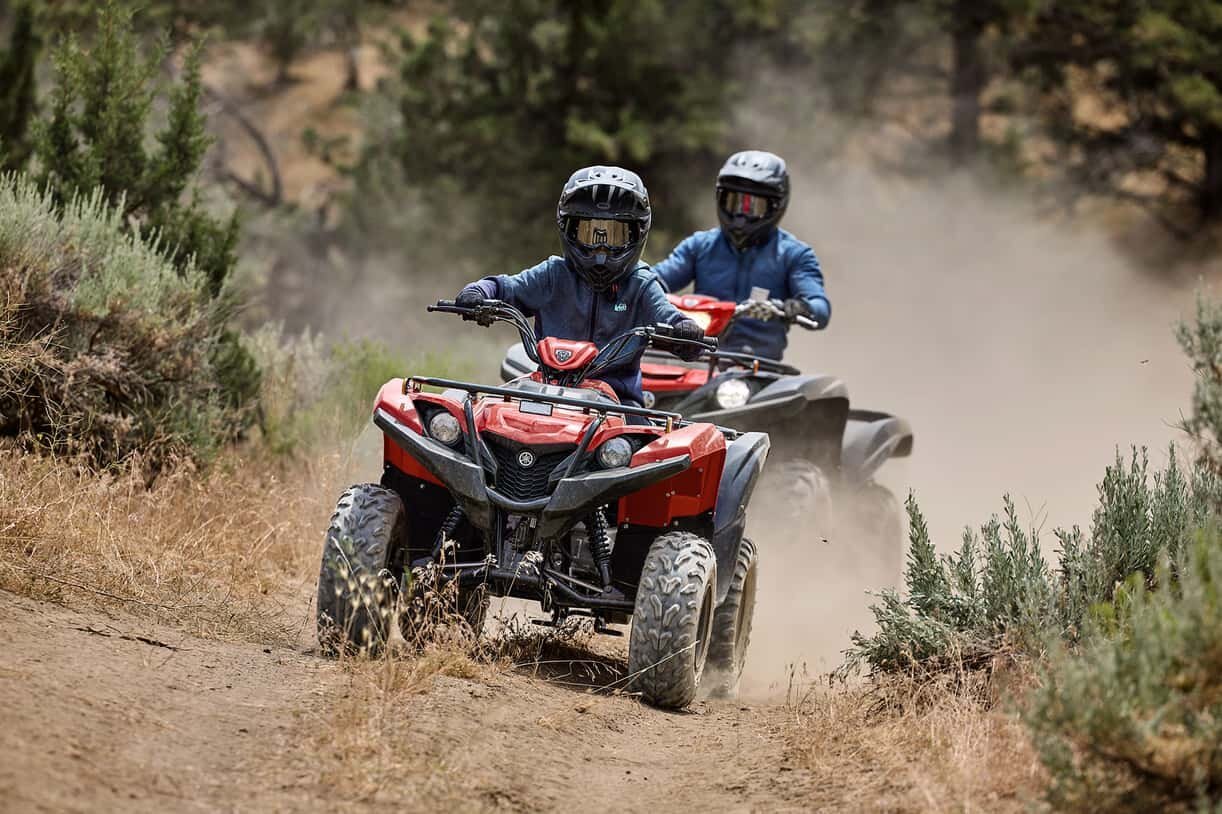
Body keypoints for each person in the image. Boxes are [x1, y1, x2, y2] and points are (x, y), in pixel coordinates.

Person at [455, 166, 704, 406]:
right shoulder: (553, 274)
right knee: (483, 416)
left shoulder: (641, 284)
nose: (601, 248)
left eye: (614, 235)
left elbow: (667, 315)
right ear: (569, 229)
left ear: (637, 234)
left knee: (639, 435)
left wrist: (684, 331)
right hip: (546, 391)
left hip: (619, 403)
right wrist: (479, 291)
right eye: (590, 233)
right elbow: (507, 287)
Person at [651, 150, 830, 360]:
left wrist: (798, 308)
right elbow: (655, 279)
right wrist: (636, 287)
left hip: (756, 366)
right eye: (733, 202)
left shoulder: (794, 255)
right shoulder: (699, 246)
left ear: (776, 206)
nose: (740, 215)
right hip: (697, 358)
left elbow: (820, 308)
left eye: (753, 206)